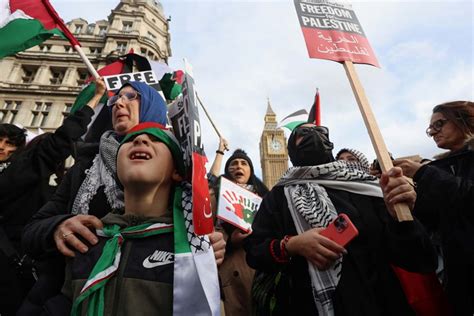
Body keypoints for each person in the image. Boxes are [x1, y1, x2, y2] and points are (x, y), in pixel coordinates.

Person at [21, 79, 225, 314]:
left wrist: (205, 243)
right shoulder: (85, 164)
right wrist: (57, 227)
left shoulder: (180, 182)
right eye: (116, 98)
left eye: (131, 96)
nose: (118, 102)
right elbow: (32, 230)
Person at [245, 123, 438, 316]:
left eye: (321, 131)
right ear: (291, 149)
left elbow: (420, 259)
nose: (314, 135)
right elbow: (255, 252)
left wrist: (401, 218)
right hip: (309, 305)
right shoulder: (277, 196)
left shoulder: (369, 187)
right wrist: (292, 245)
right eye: (303, 133)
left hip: (381, 302)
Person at [63, 122, 220, 315]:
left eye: (156, 139)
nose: (140, 139)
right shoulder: (86, 238)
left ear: (177, 171)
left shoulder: (194, 250)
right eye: (129, 140)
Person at [0, 99, 100, 315]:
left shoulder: (57, 189)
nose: (2, 147)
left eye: (10, 144)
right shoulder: (18, 174)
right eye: (0, 141)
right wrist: (90, 105)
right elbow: (56, 145)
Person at [394, 100, 474, 315]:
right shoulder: (442, 169)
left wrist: (422, 172)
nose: (433, 132)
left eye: (439, 124)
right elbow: (434, 224)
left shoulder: (433, 172)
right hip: (459, 277)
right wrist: (408, 203)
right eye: (431, 128)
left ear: (465, 119)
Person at [209, 146, 268, 316]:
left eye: (244, 163)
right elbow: (206, 231)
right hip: (231, 269)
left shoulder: (266, 196)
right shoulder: (216, 193)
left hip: (262, 267)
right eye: (233, 164)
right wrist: (230, 241)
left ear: (251, 170)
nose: (238, 166)